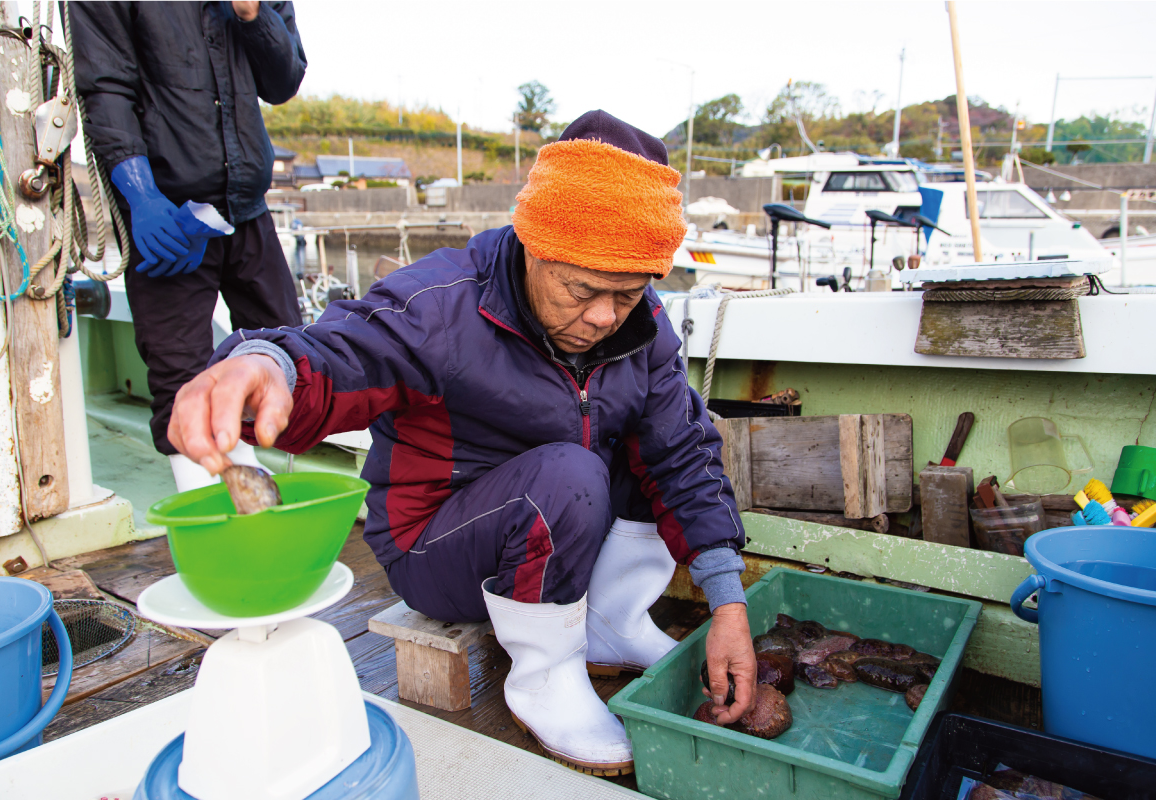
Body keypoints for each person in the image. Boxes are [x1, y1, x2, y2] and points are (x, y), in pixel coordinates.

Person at [167, 110, 757, 774]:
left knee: (660, 442)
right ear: (533, 246)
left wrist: (727, 600)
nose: (601, 317)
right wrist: (266, 366)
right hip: (438, 547)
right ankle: (545, 677)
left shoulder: (642, 331)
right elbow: (339, 353)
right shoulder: (441, 305)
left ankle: (610, 621)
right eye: (583, 289)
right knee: (570, 473)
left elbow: (683, 456)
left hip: (561, 532)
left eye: (625, 293)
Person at [68, 1, 307, 491]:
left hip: (247, 206)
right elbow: (105, 86)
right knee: (178, 375)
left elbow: (283, 81)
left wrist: (251, 14)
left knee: (289, 349)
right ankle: (218, 521)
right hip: (168, 213)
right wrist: (140, 194)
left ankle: (259, 497)